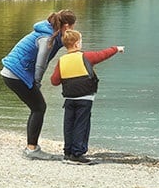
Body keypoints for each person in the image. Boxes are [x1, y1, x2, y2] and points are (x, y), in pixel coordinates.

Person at [1, 10, 75, 159]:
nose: (73, 29)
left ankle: (32, 147)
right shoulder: (47, 37)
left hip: (12, 72)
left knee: (37, 107)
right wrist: (37, 82)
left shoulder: (51, 32)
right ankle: (32, 149)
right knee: (39, 107)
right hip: (16, 74)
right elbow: (41, 63)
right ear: (66, 26)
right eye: (73, 26)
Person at [49, 29, 123, 165]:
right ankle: (77, 154)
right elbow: (103, 55)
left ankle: (68, 152)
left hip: (69, 99)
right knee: (81, 125)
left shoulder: (62, 60)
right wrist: (116, 48)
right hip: (85, 99)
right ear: (77, 44)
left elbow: (54, 81)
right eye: (81, 41)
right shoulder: (86, 57)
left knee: (69, 125)